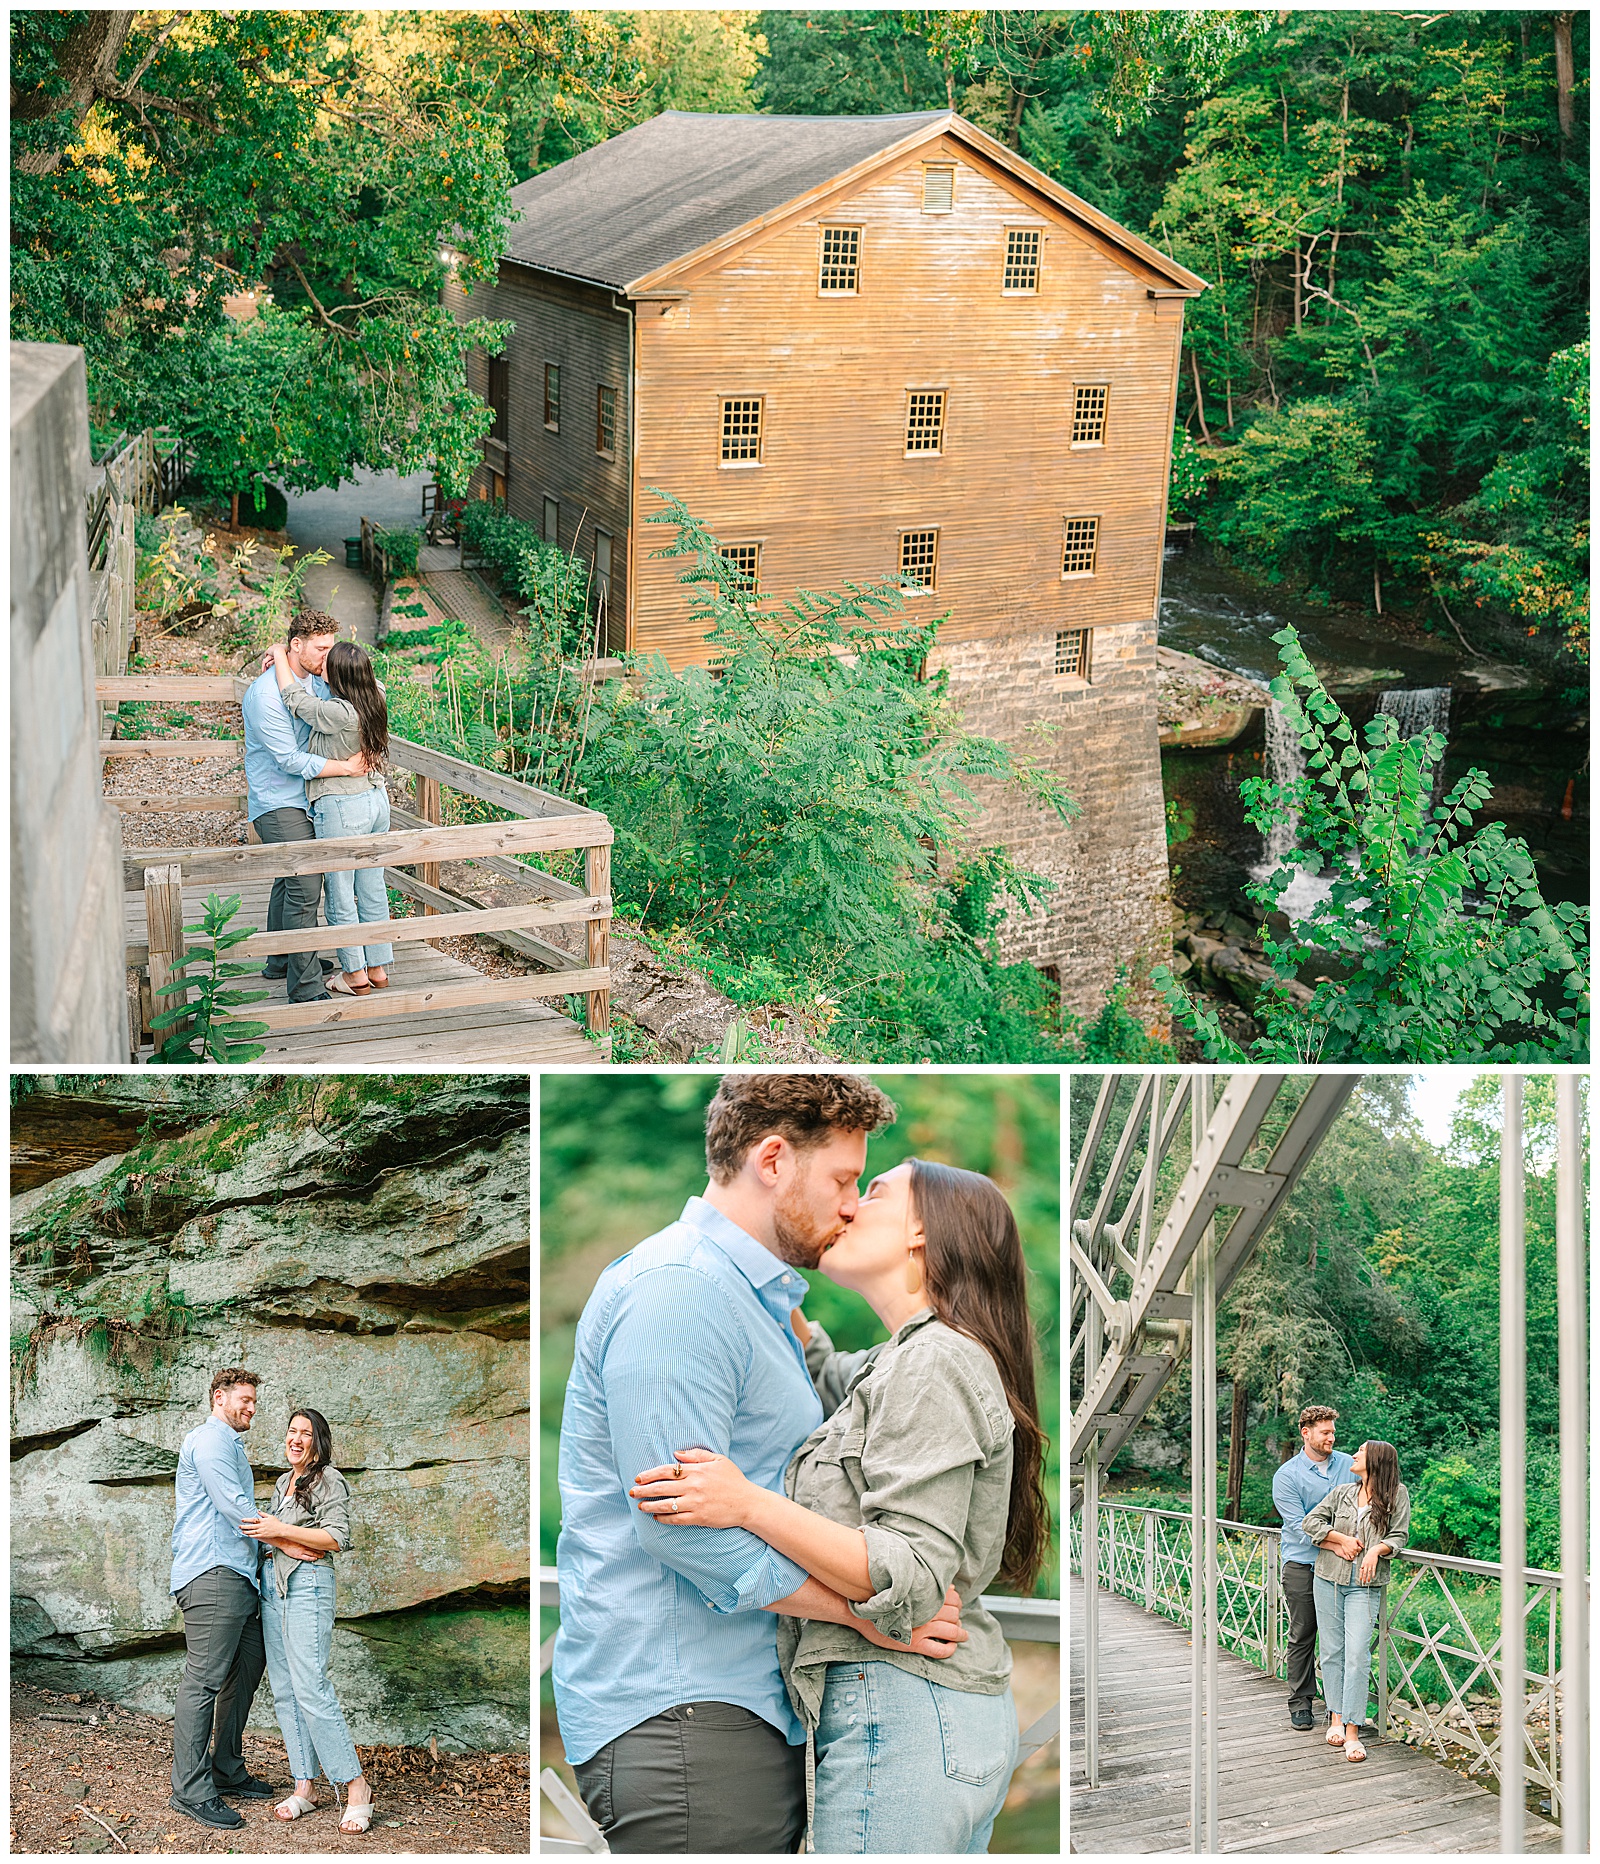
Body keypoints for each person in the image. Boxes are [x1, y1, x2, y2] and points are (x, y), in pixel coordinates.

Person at [554, 1074, 971, 1855]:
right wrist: (863, 1616)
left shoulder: (748, 1298)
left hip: (728, 1707)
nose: (851, 1204)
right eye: (844, 1180)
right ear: (773, 1159)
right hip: (685, 1712)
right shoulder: (681, 1295)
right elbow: (682, 1531)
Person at [632, 1156, 1048, 1854]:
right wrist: (757, 1262)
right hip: (930, 1714)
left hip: (906, 1711)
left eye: (873, 1190)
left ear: (924, 1231)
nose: (850, 1205)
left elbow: (909, 1572)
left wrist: (746, 1505)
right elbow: (823, 1375)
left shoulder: (936, 1361)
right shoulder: (904, 1359)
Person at [242, 1407, 375, 1833]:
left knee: (312, 1687)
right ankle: (306, 1786)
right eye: (291, 1431)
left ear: (319, 1442)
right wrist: (281, 1538)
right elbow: (270, 1536)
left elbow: (338, 1537)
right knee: (284, 1690)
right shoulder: (283, 1483)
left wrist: (282, 1532)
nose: (296, 1439)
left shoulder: (328, 1478)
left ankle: (356, 1787)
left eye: (306, 1433)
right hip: (274, 1589)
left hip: (308, 1586)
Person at [168, 1369, 280, 1830]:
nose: (251, 1408)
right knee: (205, 1681)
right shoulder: (210, 1440)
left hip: (241, 1578)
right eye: (245, 1399)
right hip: (213, 1574)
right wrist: (290, 1539)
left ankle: (227, 1769)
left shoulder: (231, 1445)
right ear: (220, 1398)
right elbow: (235, 1506)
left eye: (255, 1401)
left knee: (246, 1670)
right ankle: (191, 1791)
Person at [240, 610, 369, 1004]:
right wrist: (345, 768)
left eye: (332, 647)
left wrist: (278, 653)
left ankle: (281, 958)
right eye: (322, 648)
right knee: (305, 884)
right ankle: (306, 987)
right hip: (278, 800)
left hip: (308, 795)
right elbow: (289, 760)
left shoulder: (315, 679)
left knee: (288, 877)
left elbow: (362, 692)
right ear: (298, 645)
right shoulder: (264, 696)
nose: (329, 656)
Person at [267, 637, 393, 996]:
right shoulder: (376, 695)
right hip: (376, 800)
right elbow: (361, 681)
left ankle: (353, 974)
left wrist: (279, 654)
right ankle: (378, 967)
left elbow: (295, 699)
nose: (321, 666)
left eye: (327, 664)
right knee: (371, 888)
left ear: (337, 676)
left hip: (342, 805)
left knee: (340, 893)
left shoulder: (338, 712)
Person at [1301, 1440, 1411, 1763]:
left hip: (1365, 1585)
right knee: (1332, 1651)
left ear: (1375, 1460)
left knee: (1358, 1655)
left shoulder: (1397, 1495)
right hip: (1327, 1580)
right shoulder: (1342, 1492)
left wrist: (1376, 1550)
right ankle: (1335, 1717)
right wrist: (1339, 1541)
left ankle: (1352, 1730)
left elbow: (1399, 1536)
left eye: (1361, 1452)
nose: (1354, 1455)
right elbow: (1311, 1523)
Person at [1271, 1404, 1353, 1730]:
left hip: (1344, 1565)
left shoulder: (1349, 1464)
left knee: (1342, 1637)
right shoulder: (1287, 1476)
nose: (1332, 1437)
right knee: (1304, 1633)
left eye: (1333, 1431)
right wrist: (1343, 1542)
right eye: (1325, 1432)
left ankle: (1341, 1706)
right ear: (1306, 1433)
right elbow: (1299, 1525)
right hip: (1302, 1564)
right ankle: (1301, 1701)